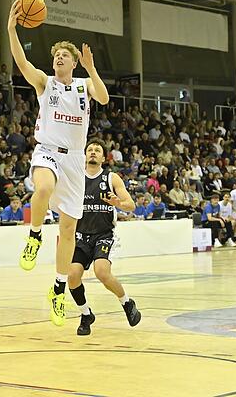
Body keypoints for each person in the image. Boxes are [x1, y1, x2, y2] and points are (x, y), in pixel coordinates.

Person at [8, 0, 109, 327]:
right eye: (56, 56)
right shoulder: (44, 82)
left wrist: (92, 69)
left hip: (75, 161)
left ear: (74, 63)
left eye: (64, 55)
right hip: (48, 150)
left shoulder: (83, 85)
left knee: (68, 231)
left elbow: (104, 97)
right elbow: (22, 62)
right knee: (43, 188)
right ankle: (34, 236)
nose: (58, 58)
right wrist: (12, 30)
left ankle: (57, 288)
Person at [68, 140, 141, 336]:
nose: (93, 152)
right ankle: (86, 314)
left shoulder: (111, 178)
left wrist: (118, 203)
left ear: (103, 158)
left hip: (104, 234)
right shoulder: (76, 178)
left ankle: (127, 302)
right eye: (90, 150)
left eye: (97, 150)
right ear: (84, 155)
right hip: (81, 235)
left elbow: (131, 205)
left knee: (101, 272)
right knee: (72, 276)